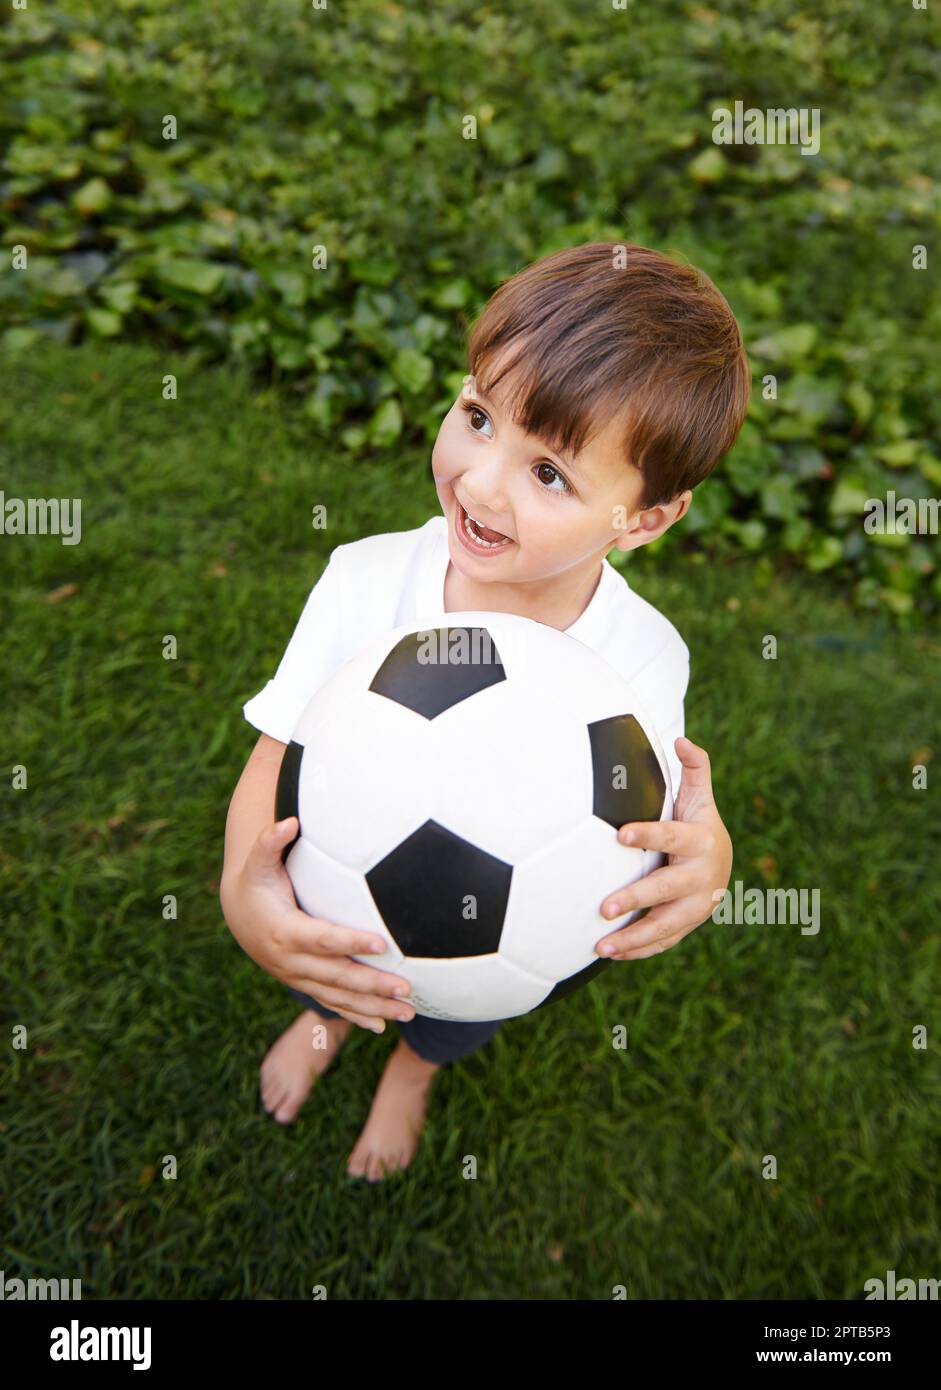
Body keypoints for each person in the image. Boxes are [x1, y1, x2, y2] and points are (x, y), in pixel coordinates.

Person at [220, 241, 744, 1182]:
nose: (478, 481)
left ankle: (414, 1072)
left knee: (462, 1016)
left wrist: (709, 864)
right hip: (343, 888)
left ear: (646, 519)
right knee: (335, 959)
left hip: (519, 935)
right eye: (477, 417)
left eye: (549, 474)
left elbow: (657, 824)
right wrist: (238, 886)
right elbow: (277, 747)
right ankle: (325, 1017)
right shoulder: (366, 582)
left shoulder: (640, 659)